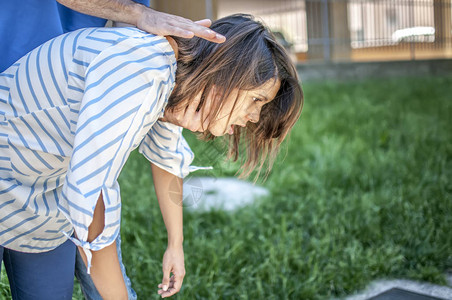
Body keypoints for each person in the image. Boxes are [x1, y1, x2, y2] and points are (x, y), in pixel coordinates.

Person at [0, 14, 303, 299]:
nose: (253, 117)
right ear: (228, 70)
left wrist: (176, 245)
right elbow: (90, 196)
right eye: (256, 100)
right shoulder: (141, 72)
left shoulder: (169, 76)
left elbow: (167, 158)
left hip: (43, 197)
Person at [0, 0, 225, 72]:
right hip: (9, 60)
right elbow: (134, 13)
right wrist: (137, 13)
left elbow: (128, 29)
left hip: (56, 81)